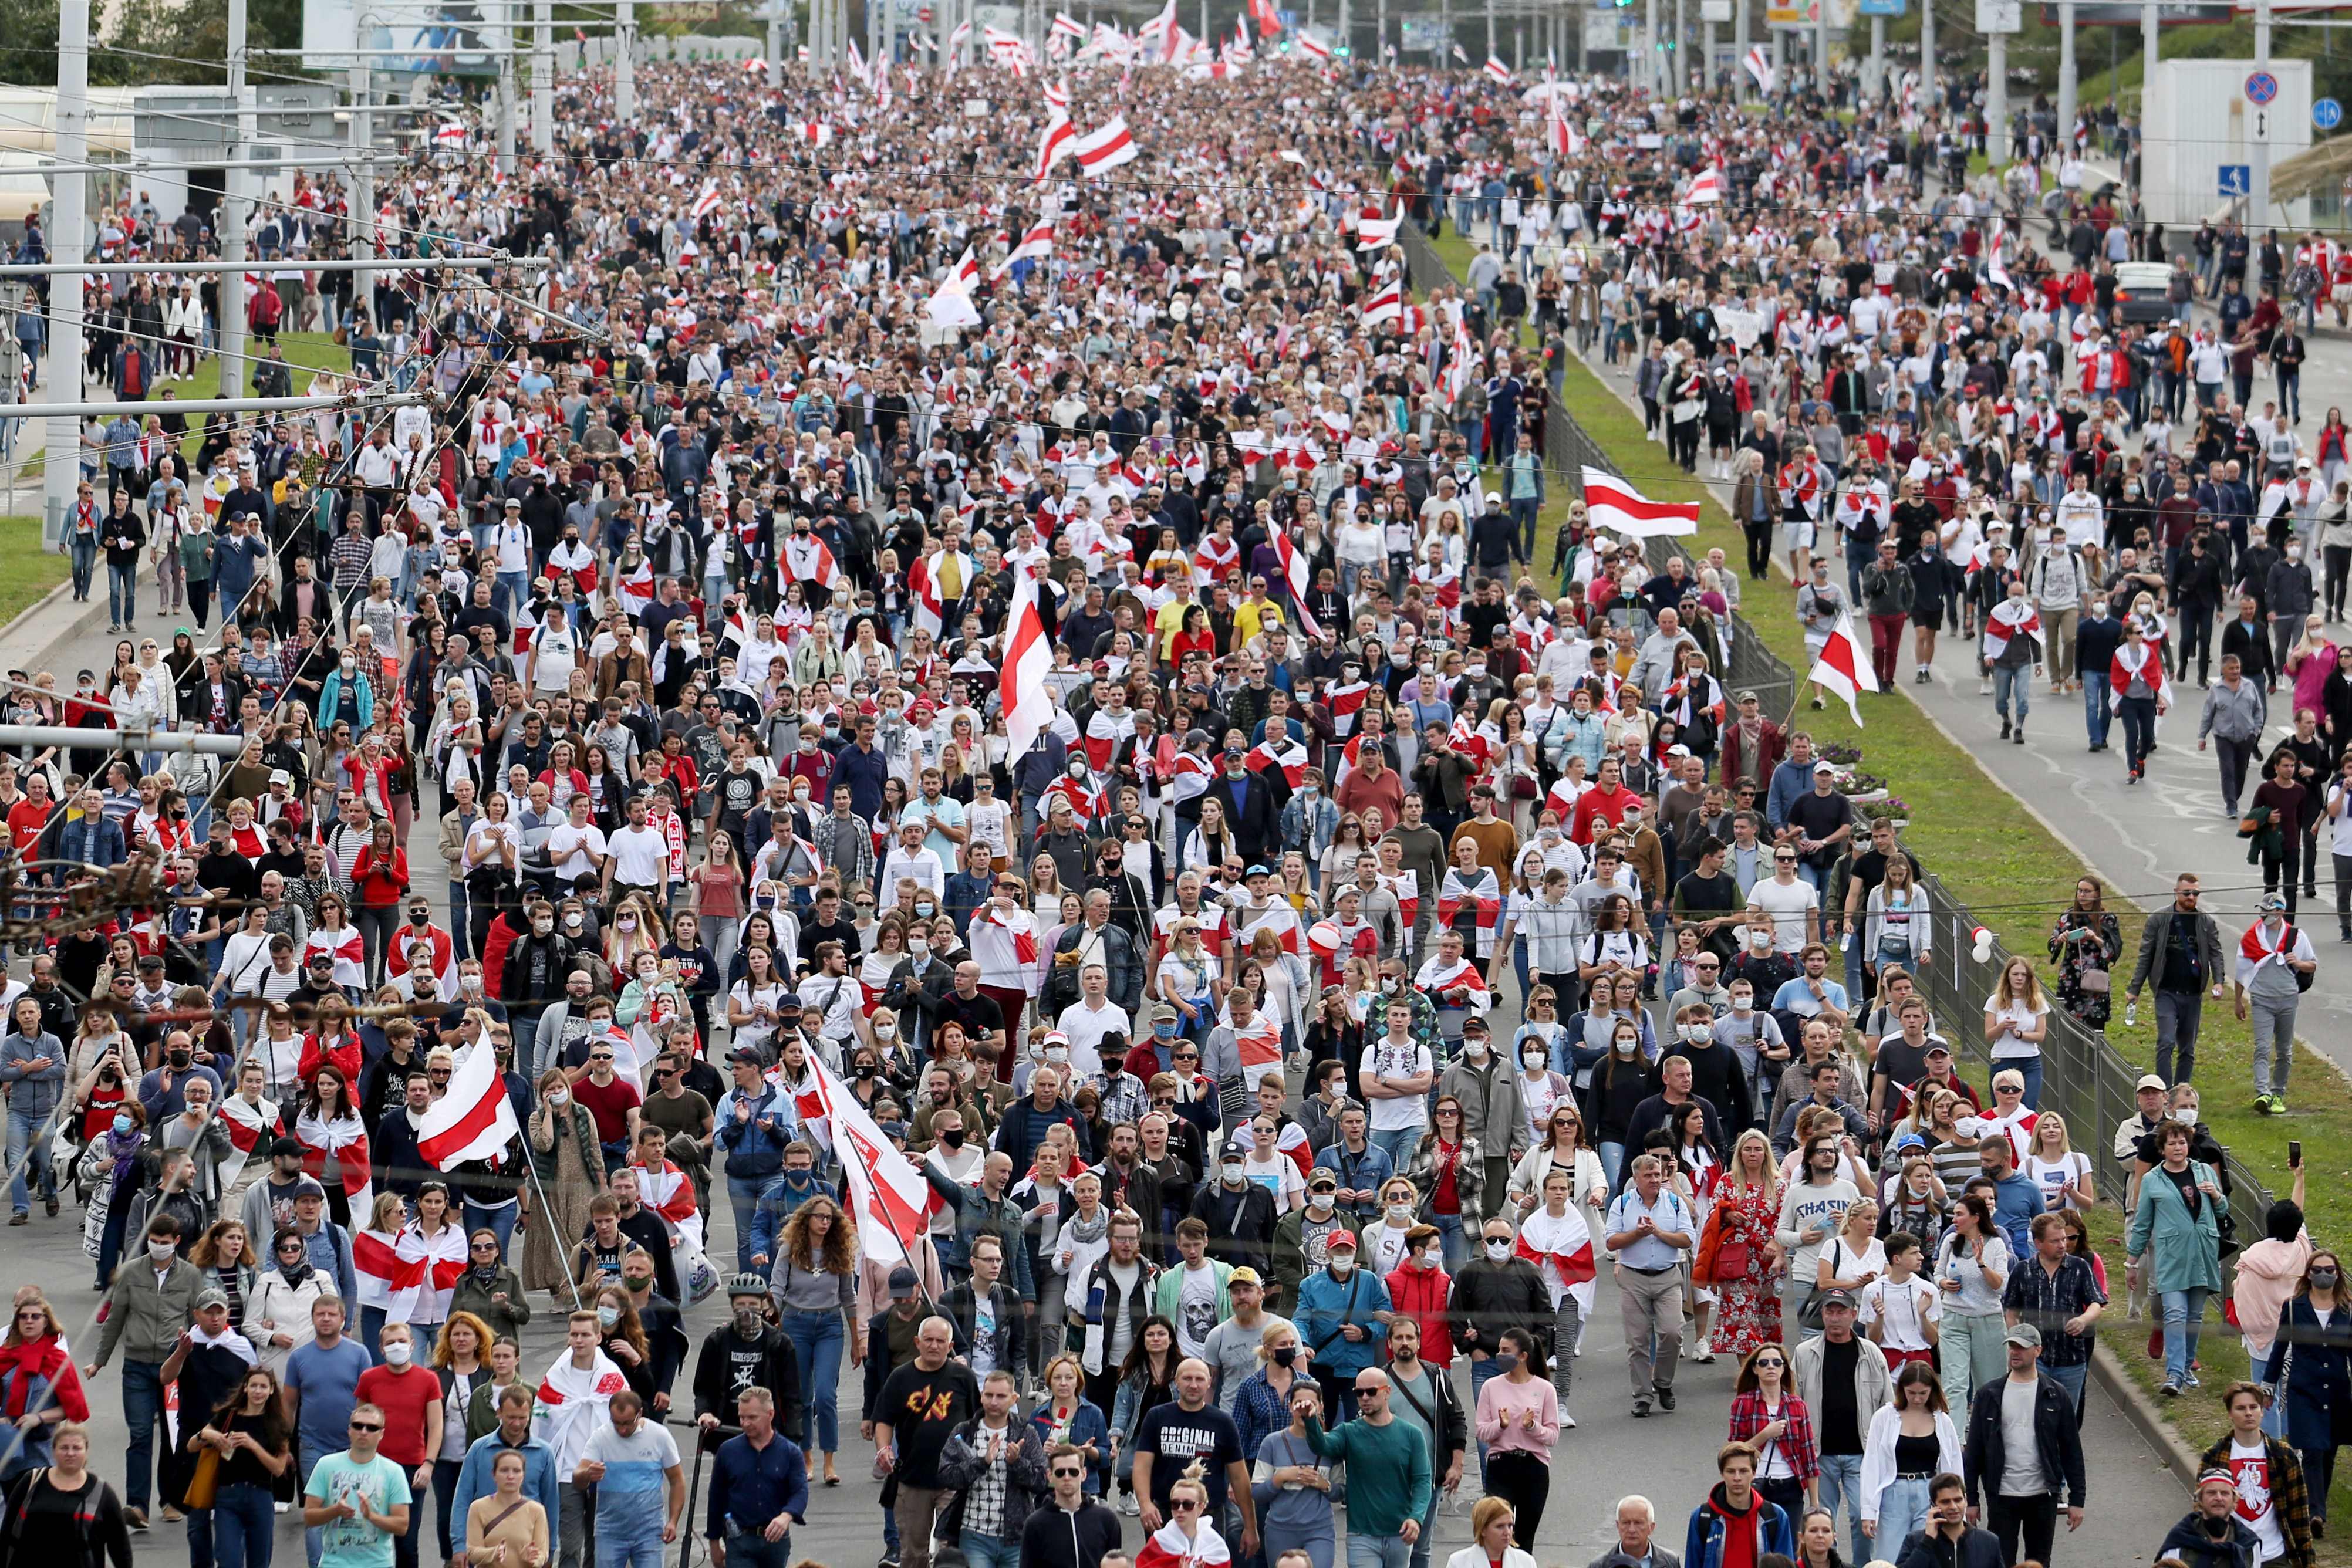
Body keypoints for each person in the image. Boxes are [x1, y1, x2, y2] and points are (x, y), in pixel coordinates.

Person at [83, 1213, 201, 1530]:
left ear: (176, 1242)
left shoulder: (191, 1275)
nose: (158, 1246)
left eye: (164, 1242)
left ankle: (170, 1500)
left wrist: (199, 1363)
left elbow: (197, 1321)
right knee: (140, 1434)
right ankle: (137, 1505)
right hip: (136, 1366)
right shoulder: (131, 1272)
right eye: (154, 1241)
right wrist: (99, 1361)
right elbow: (115, 1318)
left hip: (173, 1367)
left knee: (173, 1436)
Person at [1960, 1323, 2086, 1566]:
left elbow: (2071, 1450)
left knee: (2039, 1561)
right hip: (2002, 1496)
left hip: (2042, 1497)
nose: (2015, 1352)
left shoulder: (2055, 1394)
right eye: (2012, 1346)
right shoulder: (1989, 1395)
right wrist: (1971, 1499)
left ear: (2038, 1351)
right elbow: (1975, 1450)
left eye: (2022, 1347)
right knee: (2000, 1561)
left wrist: (2077, 1500)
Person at [872, 1316, 983, 1568]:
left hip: (954, 1480)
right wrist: (884, 1449)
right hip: (913, 1479)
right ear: (917, 1342)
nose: (934, 1345)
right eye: (929, 1340)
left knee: (952, 1553)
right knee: (913, 1554)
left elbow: (978, 1420)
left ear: (950, 1345)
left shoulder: (964, 1377)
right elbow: (884, 1419)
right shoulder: (900, 1377)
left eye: (940, 1341)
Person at [2130, 1117, 2228, 1397]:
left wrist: (2216, 1196)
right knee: (2175, 1314)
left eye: (2182, 1142)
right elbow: (2142, 1223)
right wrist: (2131, 1262)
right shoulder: (2152, 1180)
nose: (2178, 1147)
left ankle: (2185, 1369)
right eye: (2172, 1143)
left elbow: (2222, 1212)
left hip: (2202, 1254)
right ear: (2162, 1149)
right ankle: (2173, 1375)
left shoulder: (2203, 1171)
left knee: (2194, 1317)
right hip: (2171, 1257)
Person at [1792, 1287, 1890, 1563]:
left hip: (1862, 1453)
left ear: (1853, 1315)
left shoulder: (1872, 1353)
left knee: (1863, 1516)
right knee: (1823, 1521)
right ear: (1822, 1315)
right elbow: (1794, 1403)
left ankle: (1863, 1565)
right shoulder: (1804, 1353)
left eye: (1841, 1312)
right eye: (1830, 1311)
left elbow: (1888, 1405)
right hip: (1819, 1453)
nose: (1835, 1318)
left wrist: (1885, 1451)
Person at [1297, 1365, 1428, 1568]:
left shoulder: (1412, 1434)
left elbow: (1422, 1480)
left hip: (1399, 1533)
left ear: (1387, 1392)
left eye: (1371, 1392)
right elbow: (1322, 1446)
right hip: (1361, 1535)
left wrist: (1416, 1518)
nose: (1365, 1398)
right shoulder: (1348, 1432)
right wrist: (1311, 1420)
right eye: (1359, 1393)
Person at [2262, 1248, 2352, 1539]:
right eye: (2317, 1270)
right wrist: (2268, 1385)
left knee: (2329, 1451)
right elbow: (2279, 1348)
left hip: (2338, 1391)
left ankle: (2317, 1506)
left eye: (2329, 1270)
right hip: (2304, 1391)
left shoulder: (2347, 1309)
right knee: (2312, 1449)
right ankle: (2316, 1513)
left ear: (2337, 1274)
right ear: (2308, 1274)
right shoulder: (2294, 1307)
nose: (2323, 1275)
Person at [1605, 1154, 1695, 1417]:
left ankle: (1663, 1382)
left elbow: (1687, 1239)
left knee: (1672, 1332)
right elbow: (1611, 1242)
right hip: (1633, 1278)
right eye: (1648, 1175)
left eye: (1658, 1174)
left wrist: (1658, 1233)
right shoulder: (1622, 1203)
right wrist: (1637, 1234)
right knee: (1637, 1341)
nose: (1655, 1180)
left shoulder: (1674, 1203)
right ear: (1636, 1179)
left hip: (1668, 1276)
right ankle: (1643, 1396)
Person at [936, 1368, 1048, 1568]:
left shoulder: (1026, 1432)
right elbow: (946, 1476)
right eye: (989, 1395)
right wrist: (982, 1462)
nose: (994, 1402)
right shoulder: (964, 1431)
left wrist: (1017, 1463)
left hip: (1016, 1536)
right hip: (974, 1533)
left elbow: (1041, 1481)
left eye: (1001, 1396)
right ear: (981, 1397)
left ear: (1014, 1399)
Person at [2196, 1381, 2315, 1568]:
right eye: (2241, 1408)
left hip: (2274, 1556)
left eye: (2253, 1407)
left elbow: (2299, 1511)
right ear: (2230, 1414)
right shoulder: (2214, 1456)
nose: (2248, 1413)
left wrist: (2308, 1561)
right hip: (2230, 1557)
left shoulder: (2283, 1455)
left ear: (2262, 1411)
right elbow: (2201, 1510)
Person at [2002, 1212, 2107, 1417]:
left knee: (2066, 1420)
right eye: (2055, 1241)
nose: (2062, 1245)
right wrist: (2018, 1343)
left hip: (2072, 1360)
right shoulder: (2023, 1271)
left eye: (2064, 1239)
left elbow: (2096, 1303)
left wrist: (2083, 1319)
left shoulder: (2080, 1267)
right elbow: (2011, 1313)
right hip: (2035, 1361)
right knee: (2033, 1417)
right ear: (2038, 1243)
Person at [193, 1363, 294, 1568]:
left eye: (263, 1387)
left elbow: (278, 1469)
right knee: (228, 1559)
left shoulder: (278, 1424)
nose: (258, 1391)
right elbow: (191, 1446)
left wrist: (253, 1446)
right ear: (245, 1388)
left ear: (271, 1391)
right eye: (253, 1385)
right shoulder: (228, 1415)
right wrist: (208, 1435)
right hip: (228, 1497)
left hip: (261, 1497)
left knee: (259, 1561)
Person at [448, 1383, 559, 1568]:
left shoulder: (544, 1452)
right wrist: (459, 1545)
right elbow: (462, 1498)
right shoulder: (479, 1449)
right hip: (486, 1547)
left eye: (522, 1418)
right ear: (499, 1413)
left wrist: (550, 1550)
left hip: (527, 1549)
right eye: (511, 1417)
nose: (517, 1424)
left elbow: (551, 1503)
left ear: (530, 1415)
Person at [573, 1387, 684, 1568]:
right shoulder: (601, 1437)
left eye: (627, 1423)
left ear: (639, 1413)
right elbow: (578, 1478)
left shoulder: (660, 1436)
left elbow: (677, 1480)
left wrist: (673, 1521)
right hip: (610, 1533)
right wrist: (587, 1474)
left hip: (650, 1533)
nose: (622, 1430)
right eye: (616, 1423)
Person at [1860, 1360, 1960, 1557]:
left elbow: (1954, 1466)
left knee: (1927, 1554)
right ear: (1902, 1390)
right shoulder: (1884, 1417)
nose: (1917, 1399)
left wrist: (1956, 1506)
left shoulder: (1942, 1420)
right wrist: (1868, 1511)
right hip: (1893, 1493)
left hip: (1929, 1493)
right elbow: (1872, 1464)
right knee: (1890, 1556)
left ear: (1932, 1390)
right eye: (1911, 1393)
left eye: (1923, 1393)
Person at [0, 1423, 134, 1568]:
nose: (70, 1453)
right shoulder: (32, 1482)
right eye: (64, 1448)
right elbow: (7, 1530)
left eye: (77, 1448)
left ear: (86, 1452)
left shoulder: (101, 1492)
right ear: (53, 1451)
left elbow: (120, 1546)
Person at [1471, 1325, 1558, 1547]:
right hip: (1501, 1466)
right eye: (1499, 1350)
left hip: (1534, 1467)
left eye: (1506, 1351)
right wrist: (1500, 1425)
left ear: (1523, 1356)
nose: (1500, 1355)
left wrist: (1533, 1427)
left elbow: (1552, 1436)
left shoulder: (1545, 1389)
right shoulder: (1491, 1387)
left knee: (1525, 1539)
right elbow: (1481, 1431)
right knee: (1499, 1535)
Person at [703, 1386, 807, 1568]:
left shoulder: (790, 1453)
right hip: (739, 1540)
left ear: (770, 1414)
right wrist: (714, 1543)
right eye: (742, 1417)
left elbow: (800, 1492)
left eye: (752, 1418)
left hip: (776, 1540)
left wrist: (786, 1516)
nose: (745, 1423)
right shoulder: (728, 1451)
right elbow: (716, 1499)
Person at [303, 1401, 413, 1568]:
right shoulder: (326, 1465)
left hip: (378, 1564)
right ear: (349, 1430)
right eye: (358, 1426)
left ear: (381, 1434)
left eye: (372, 1428)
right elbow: (309, 1517)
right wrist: (335, 1511)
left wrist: (371, 1516)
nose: (363, 1432)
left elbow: (402, 1526)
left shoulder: (393, 1471)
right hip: (334, 1564)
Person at [1931, 1195, 2013, 1414]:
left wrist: (1981, 1263)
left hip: (1987, 1320)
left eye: (1960, 1215)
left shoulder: (1995, 1244)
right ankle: (1955, 1433)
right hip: (1953, 1320)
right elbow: (1938, 1272)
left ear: (1976, 1218)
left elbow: (2000, 1287)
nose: (1954, 1219)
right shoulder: (1950, 1241)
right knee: (1954, 1385)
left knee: (1990, 1385)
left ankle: (1988, 1431)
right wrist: (1943, 1283)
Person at [1683, 1442, 1795, 1568]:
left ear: (1754, 1473)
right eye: (1731, 1471)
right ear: (1722, 1474)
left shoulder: (1775, 1517)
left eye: (1743, 1471)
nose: (1737, 1478)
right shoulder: (1702, 1517)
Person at [1021, 1441, 1123, 1568]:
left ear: (1084, 1474)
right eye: (1060, 1473)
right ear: (1050, 1476)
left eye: (1073, 1472)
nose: (1067, 1477)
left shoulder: (1107, 1520)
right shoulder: (1035, 1524)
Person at [1891, 1471, 2003, 1568]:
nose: (1953, 1507)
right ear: (1933, 1505)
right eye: (1945, 1502)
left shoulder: (1988, 1542)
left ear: (1966, 1500)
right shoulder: (1914, 1541)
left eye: (1958, 1500)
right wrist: (1927, 1542)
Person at [2157, 1469, 2265, 1568]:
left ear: (2234, 1500)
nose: (2219, 1498)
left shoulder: (2249, 1543)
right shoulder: (2180, 1540)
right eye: (2211, 1493)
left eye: (2225, 1493)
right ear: (2200, 1499)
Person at [461, 1448, 550, 1568]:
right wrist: (494, 1553)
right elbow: (472, 1552)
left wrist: (533, 1560)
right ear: (494, 1475)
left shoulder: (537, 1510)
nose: (510, 1476)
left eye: (517, 1471)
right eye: (504, 1470)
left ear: (523, 1476)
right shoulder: (478, 1508)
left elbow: (543, 1553)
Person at [1586, 1494, 1679, 1568]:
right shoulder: (1599, 1565)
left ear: (1651, 1527)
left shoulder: (1670, 1562)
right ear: (1618, 1526)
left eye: (1638, 1523)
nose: (1631, 1530)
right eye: (1626, 1523)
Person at [1447, 1497, 1540, 1568]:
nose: (1507, 1532)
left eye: (1510, 1525)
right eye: (1500, 1526)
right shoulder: (1458, 1563)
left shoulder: (1526, 1562)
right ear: (1482, 1529)